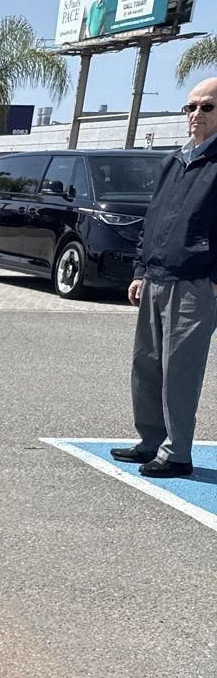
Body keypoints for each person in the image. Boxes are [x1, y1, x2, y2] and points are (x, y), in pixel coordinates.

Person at [112, 77, 217, 478]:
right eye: (190, 107)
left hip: (196, 283)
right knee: (147, 363)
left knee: (180, 370)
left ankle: (177, 453)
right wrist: (141, 270)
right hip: (156, 277)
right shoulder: (175, 161)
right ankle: (150, 441)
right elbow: (152, 219)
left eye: (206, 107)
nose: (195, 115)